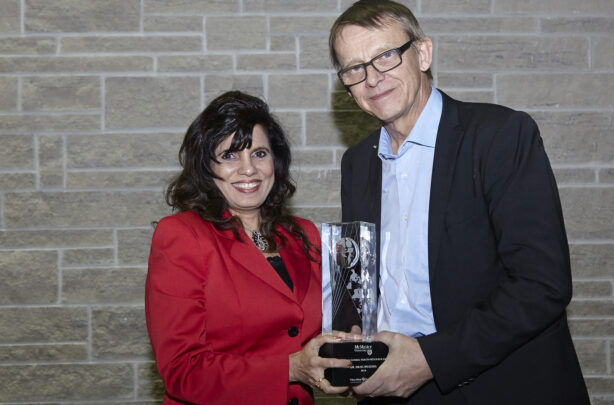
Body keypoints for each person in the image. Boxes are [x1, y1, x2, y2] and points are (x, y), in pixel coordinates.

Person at [328, 1, 591, 404]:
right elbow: (366, 284)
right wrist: (352, 344)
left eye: (385, 57)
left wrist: (428, 360)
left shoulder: (500, 136)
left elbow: (542, 285)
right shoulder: (357, 163)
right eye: (354, 68)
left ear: (422, 53)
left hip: (500, 387)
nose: (372, 79)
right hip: (393, 391)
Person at [145, 91, 354, 405]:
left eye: (259, 153)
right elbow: (182, 371)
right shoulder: (182, 236)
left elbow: (317, 335)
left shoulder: (305, 235)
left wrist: (353, 355)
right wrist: (291, 368)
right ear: (206, 167)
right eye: (230, 155)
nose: (248, 169)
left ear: (275, 161)